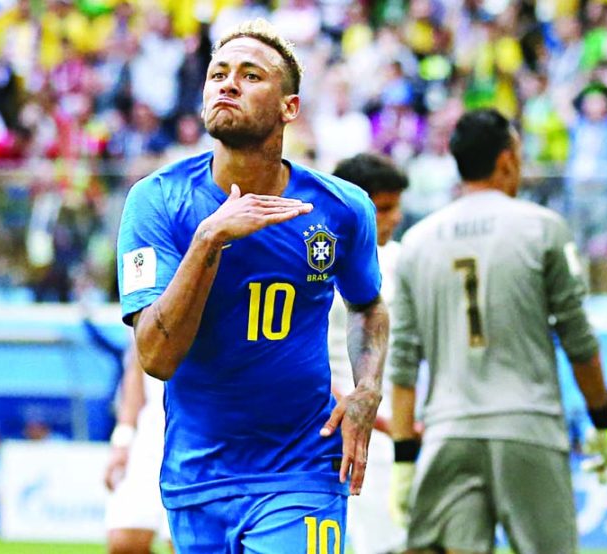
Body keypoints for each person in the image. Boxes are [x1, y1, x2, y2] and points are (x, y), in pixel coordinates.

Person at [116, 18, 389, 553]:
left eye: (249, 75)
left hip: (302, 467)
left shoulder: (340, 207)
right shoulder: (157, 202)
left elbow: (368, 307)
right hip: (199, 474)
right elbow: (156, 356)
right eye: (218, 73)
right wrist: (208, 239)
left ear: (289, 107)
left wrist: (367, 389)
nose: (227, 83)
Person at [388, 108, 607, 554]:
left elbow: (403, 361)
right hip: (527, 427)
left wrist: (404, 458)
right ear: (507, 160)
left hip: (448, 432)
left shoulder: (418, 241)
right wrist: (601, 420)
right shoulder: (542, 228)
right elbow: (579, 342)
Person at [328, 153, 408, 554]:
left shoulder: (400, 260)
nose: (393, 218)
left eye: (396, 207)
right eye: (383, 208)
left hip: (395, 427)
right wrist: (361, 410)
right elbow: (300, 357)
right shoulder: (317, 263)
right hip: (337, 426)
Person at [103, 340, 172, 554]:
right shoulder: (141, 306)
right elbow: (136, 366)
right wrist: (122, 439)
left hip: (197, 434)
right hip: (149, 434)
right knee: (123, 543)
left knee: (183, 545)